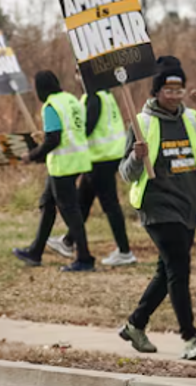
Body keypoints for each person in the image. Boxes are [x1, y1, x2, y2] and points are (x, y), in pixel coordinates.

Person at [116, 59, 196, 361]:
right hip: (157, 207)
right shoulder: (142, 122)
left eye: (179, 89)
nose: (175, 95)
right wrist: (136, 157)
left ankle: (135, 324)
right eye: (168, 89)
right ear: (156, 91)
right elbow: (126, 173)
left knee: (167, 271)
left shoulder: (192, 118)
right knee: (179, 268)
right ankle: (190, 337)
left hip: (188, 205)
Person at [11, 70, 95, 272]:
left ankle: (85, 258)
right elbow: (69, 130)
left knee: (70, 211)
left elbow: (53, 140)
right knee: (47, 203)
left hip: (63, 164)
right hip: (78, 158)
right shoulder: (71, 100)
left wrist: (31, 156)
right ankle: (35, 252)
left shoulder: (51, 106)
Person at [48, 81, 136, 266]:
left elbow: (87, 128)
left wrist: (68, 137)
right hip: (110, 154)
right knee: (84, 200)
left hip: (101, 157)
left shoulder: (93, 96)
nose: (78, 78)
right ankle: (68, 242)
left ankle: (125, 251)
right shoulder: (105, 93)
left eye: (79, 73)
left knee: (110, 204)